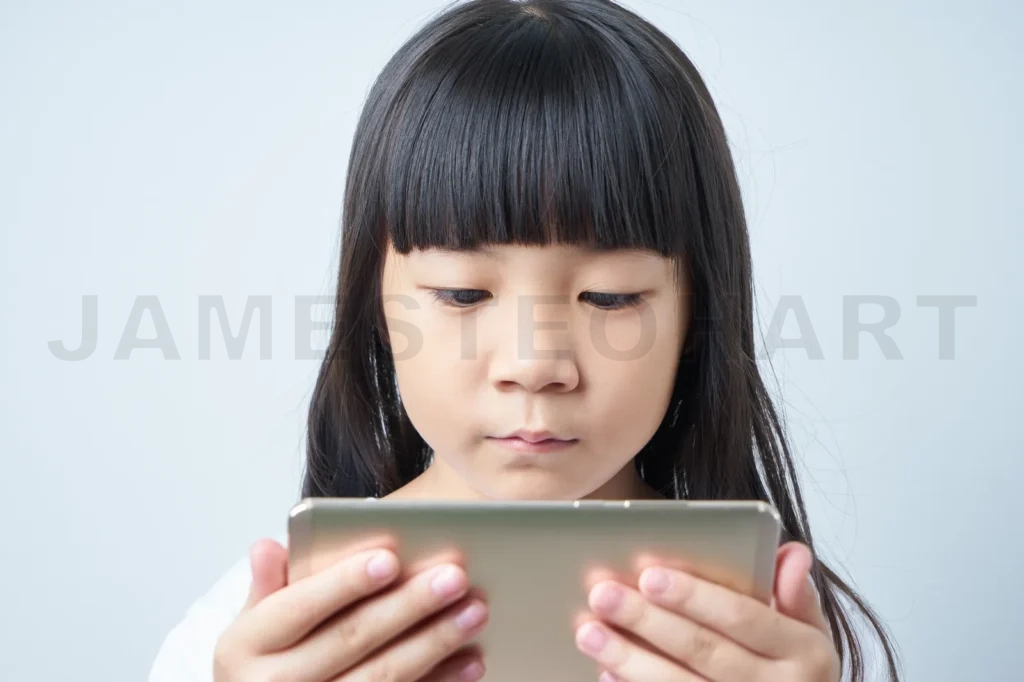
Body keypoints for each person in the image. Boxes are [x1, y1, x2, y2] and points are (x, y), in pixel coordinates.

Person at [149, 1, 902, 680]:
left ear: (698, 318)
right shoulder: (253, 644)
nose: (534, 365)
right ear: (373, 306)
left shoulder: (765, 641)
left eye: (609, 297)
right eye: (463, 293)